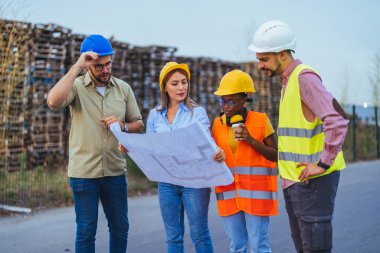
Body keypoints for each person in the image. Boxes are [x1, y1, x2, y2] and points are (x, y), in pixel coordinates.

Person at [248, 20, 349, 253]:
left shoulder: (304, 78)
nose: (260, 65)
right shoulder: (288, 82)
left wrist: (323, 163)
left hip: (313, 183)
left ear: (282, 54)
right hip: (296, 182)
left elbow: (337, 118)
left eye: (264, 59)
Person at [47, 34, 143, 253]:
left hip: (114, 171)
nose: (106, 70)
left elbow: (138, 124)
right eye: (99, 66)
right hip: (83, 173)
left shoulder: (123, 89)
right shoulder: (77, 87)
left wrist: (123, 125)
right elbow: (53, 101)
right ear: (89, 64)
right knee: (86, 231)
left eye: (108, 64)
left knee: (120, 227)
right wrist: (77, 67)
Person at [145, 62, 225, 253]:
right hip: (167, 183)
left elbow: (208, 143)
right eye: (175, 83)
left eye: (184, 82)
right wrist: (129, 147)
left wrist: (218, 152)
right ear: (164, 86)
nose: (181, 87)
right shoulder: (154, 116)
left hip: (194, 182)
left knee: (199, 234)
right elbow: (150, 148)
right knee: (173, 237)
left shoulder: (197, 112)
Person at [212, 69, 278, 253]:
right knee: (237, 247)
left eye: (231, 101)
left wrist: (251, 140)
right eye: (222, 100)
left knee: (259, 247)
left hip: (256, 196)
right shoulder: (217, 124)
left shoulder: (261, 121)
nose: (225, 106)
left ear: (244, 99)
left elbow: (276, 154)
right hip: (228, 195)